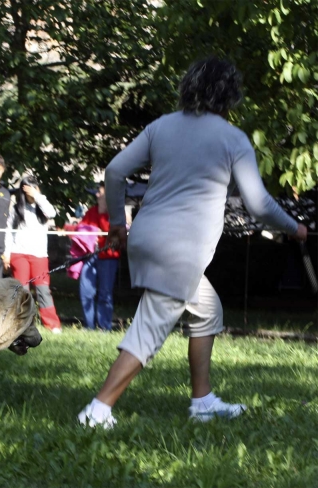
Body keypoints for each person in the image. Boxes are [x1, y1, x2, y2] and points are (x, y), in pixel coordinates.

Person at [78, 57, 308, 428]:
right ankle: (98, 410)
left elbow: (115, 171)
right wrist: (295, 228)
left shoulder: (161, 126)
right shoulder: (233, 138)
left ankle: (202, 402)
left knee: (207, 311)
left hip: (147, 238)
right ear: (229, 94)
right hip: (181, 250)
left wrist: (118, 223)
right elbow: (260, 204)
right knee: (150, 328)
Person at [3, 175, 62, 333]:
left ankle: (52, 325)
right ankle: (23, 324)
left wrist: (36, 196)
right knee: (23, 291)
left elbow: (52, 213)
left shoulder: (43, 206)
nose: (32, 190)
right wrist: (6, 253)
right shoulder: (16, 209)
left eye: (34, 187)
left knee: (43, 290)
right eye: (28, 187)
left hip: (39, 255)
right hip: (19, 254)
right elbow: (9, 232)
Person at [76, 182, 121, 331]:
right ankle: (89, 325)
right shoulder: (91, 211)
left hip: (108, 257)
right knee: (86, 290)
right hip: (90, 257)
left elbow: (115, 233)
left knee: (105, 293)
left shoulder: (114, 214)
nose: (96, 195)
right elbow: (82, 228)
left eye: (100, 192)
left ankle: (104, 327)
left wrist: (103, 213)